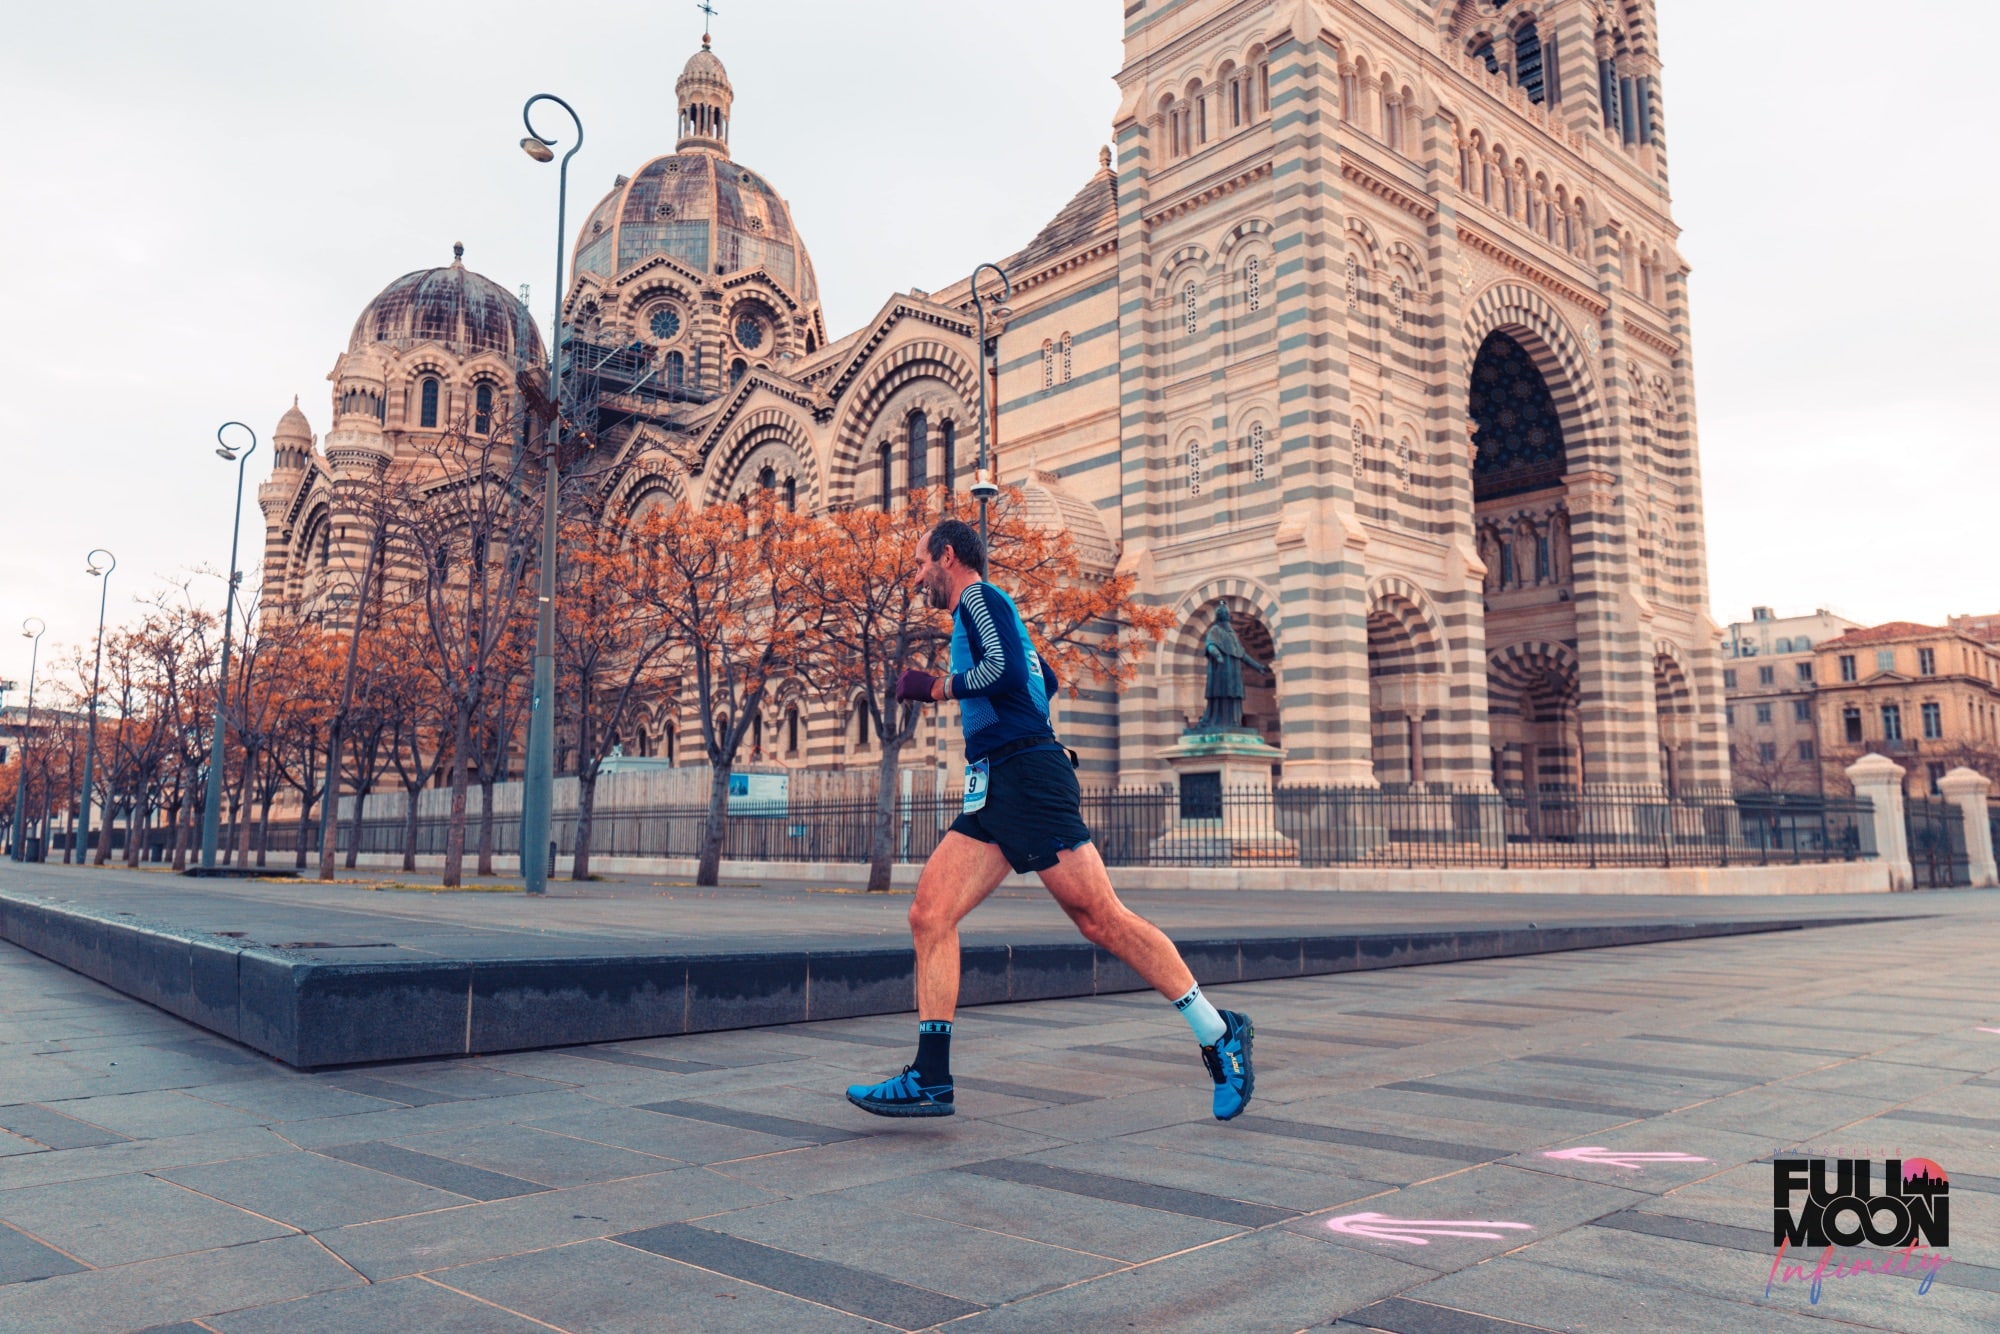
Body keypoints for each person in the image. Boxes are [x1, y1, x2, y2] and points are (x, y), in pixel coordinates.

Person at [844, 517, 1255, 1120]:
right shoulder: (992, 611)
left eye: (918, 564)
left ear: (948, 557)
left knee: (1101, 920)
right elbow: (1044, 677)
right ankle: (931, 1077)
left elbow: (1006, 674)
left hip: (1028, 779)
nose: (914, 579)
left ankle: (1220, 1033)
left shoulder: (978, 599)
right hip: (996, 783)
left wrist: (934, 687)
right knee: (929, 914)